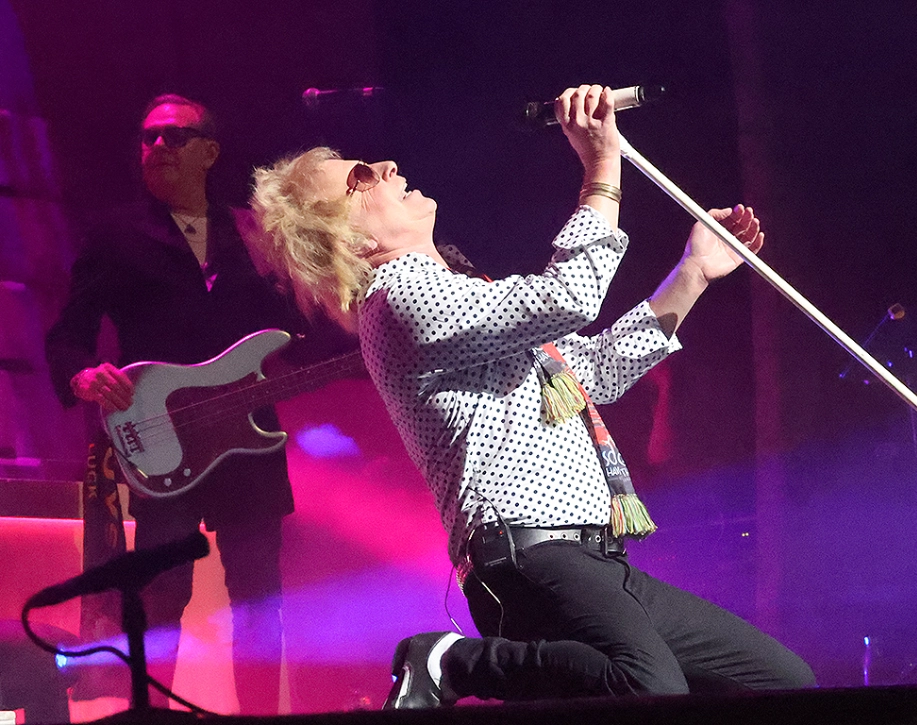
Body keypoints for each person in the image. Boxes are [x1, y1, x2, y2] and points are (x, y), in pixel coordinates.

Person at [250, 84, 814, 705]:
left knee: (778, 684)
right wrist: (602, 167)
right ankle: (453, 661)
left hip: (593, 555)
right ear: (348, 238)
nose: (384, 167)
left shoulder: (459, 294)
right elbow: (569, 296)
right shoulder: (398, 297)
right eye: (360, 178)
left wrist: (694, 273)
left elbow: (590, 373)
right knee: (646, 687)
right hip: (529, 555)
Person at [44, 94, 300, 714]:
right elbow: (69, 332)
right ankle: (148, 714)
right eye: (148, 137)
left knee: (260, 600)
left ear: (209, 152)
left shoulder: (253, 230)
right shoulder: (115, 234)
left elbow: (296, 325)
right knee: (161, 592)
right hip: (161, 435)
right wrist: (83, 374)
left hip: (248, 437)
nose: (156, 147)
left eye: (174, 137)